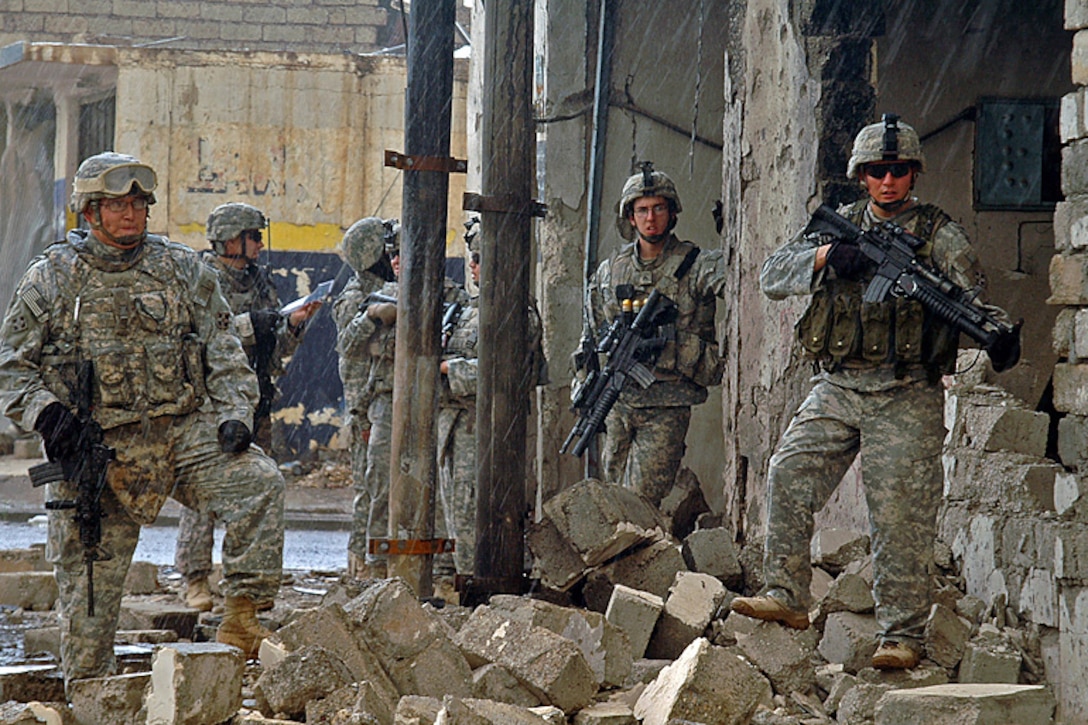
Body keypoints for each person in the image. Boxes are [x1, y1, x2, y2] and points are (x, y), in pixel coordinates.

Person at [730, 114, 1020, 670]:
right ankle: (787, 596)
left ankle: (903, 635)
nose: (889, 181)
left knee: (900, 517)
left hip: (905, 392)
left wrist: (998, 335)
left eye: (899, 171)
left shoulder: (940, 236)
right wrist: (826, 257)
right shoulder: (837, 226)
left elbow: (972, 300)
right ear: (861, 176)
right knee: (787, 471)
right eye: (877, 171)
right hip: (839, 384)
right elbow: (771, 273)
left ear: (913, 175)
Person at [0, 152, 285, 682]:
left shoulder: (182, 269)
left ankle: (242, 619)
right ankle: (90, 690)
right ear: (90, 212)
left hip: (179, 436)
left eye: (137, 204)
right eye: (115, 205)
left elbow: (222, 347)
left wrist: (234, 414)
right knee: (87, 633)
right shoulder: (54, 278)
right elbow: (10, 366)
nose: (130, 214)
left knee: (259, 483)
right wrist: (48, 416)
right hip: (96, 456)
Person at [174, 202, 321, 612]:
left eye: (258, 237)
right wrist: (249, 325)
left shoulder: (259, 282)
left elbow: (274, 341)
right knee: (203, 494)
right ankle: (196, 577)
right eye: (252, 237)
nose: (259, 244)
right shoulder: (201, 279)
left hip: (253, 396)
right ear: (230, 239)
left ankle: (246, 584)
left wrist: (292, 323)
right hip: (211, 402)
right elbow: (198, 339)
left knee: (256, 490)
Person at [581, 162, 726, 506]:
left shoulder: (697, 265)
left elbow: (740, 278)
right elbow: (590, 336)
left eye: (659, 208)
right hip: (619, 400)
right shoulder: (610, 271)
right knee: (614, 495)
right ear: (630, 217)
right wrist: (584, 385)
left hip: (667, 401)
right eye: (642, 210)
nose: (650, 218)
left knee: (642, 499)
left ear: (672, 212)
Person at [438, 218, 545, 581]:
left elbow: (502, 373)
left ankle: (479, 587)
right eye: (472, 257)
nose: (473, 265)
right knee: (457, 512)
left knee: (477, 513)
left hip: (488, 429)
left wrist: (448, 369)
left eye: (481, 257)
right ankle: (465, 579)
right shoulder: (470, 308)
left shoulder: (516, 311)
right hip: (456, 428)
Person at [333, 217, 398, 580]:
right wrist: (372, 317)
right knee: (369, 489)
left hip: (385, 404)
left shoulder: (393, 287)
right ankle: (362, 566)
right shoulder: (355, 296)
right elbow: (346, 344)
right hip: (364, 409)